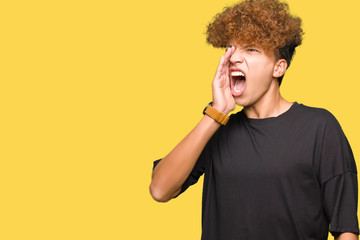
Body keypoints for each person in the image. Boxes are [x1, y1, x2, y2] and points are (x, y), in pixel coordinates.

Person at [149, 0, 359, 239]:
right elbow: (159, 190)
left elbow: (346, 229)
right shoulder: (217, 128)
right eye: (230, 48)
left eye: (251, 49)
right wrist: (216, 113)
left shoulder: (320, 128)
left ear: (278, 68)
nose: (234, 58)